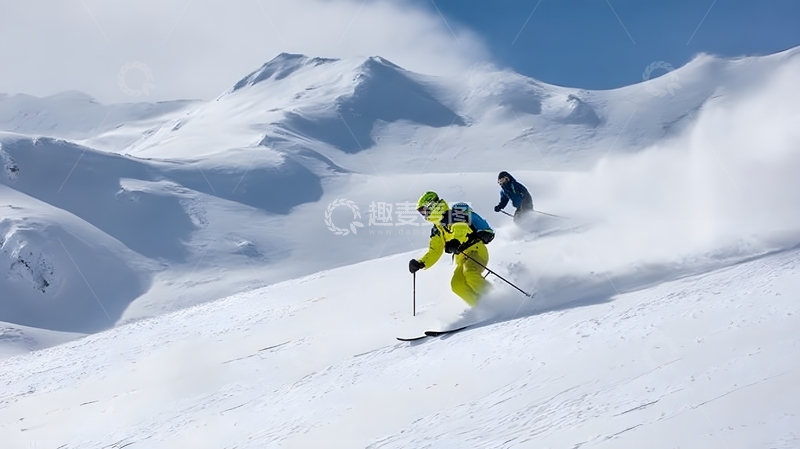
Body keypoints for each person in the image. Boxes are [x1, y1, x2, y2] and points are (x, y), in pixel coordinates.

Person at [408, 191, 494, 307]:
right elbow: (435, 250)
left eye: (424, 211)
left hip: (475, 250)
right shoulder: (437, 229)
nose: (424, 215)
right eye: (421, 213)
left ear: (432, 206)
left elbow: (461, 228)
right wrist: (420, 263)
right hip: (461, 258)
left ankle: (496, 299)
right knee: (456, 284)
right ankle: (480, 307)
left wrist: (456, 241)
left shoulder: (454, 214)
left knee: (470, 273)